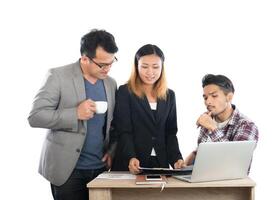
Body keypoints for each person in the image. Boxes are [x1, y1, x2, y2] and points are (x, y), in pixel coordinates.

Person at [28, 29, 118, 200]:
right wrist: (75, 113)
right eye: (102, 64)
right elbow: (35, 116)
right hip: (67, 171)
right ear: (85, 59)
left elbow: (114, 124)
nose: (108, 69)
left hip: (100, 170)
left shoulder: (111, 83)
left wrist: (112, 151)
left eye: (111, 62)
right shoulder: (58, 76)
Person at [110, 44, 185, 174]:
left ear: (162, 68)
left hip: (160, 163)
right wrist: (130, 156)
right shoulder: (125, 92)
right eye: (144, 67)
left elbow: (170, 133)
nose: (150, 72)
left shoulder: (169, 95)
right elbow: (124, 130)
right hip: (131, 162)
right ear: (136, 66)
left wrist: (176, 158)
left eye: (156, 67)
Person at [185, 74, 259, 165]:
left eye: (214, 96)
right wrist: (186, 163)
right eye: (205, 97)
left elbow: (235, 163)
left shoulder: (247, 126)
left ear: (229, 97)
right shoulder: (208, 119)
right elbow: (201, 153)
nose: (208, 101)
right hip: (204, 177)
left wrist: (213, 128)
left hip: (231, 179)